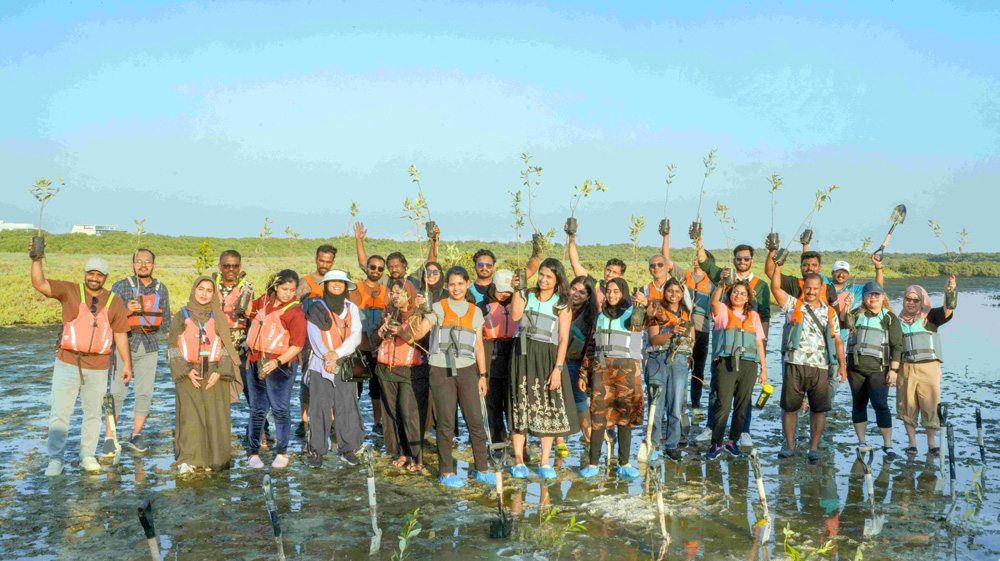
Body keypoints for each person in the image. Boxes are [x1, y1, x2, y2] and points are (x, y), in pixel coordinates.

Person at [29, 241, 132, 476]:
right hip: (67, 362)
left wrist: (126, 363)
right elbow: (40, 284)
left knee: (94, 413)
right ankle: (55, 460)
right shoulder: (69, 290)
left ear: (106, 277)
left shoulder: (114, 301)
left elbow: (120, 333)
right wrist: (36, 259)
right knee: (60, 412)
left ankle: (87, 454)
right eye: (91, 273)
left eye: (99, 275)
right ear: (85, 273)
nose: (94, 278)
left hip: (98, 366)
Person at [408, 266, 496, 488]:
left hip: (468, 371)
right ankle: (446, 472)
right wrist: (420, 311)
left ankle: (482, 468)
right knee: (446, 423)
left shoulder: (475, 311)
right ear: (447, 286)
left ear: (468, 284)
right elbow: (417, 334)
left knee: (475, 421)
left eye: (460, 284)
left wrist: (482, 375)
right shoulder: (437, 307)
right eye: (452, 284)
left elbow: (478, 347)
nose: (456, 288)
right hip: (440, 371)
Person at [509, 258, 579, 480]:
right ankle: (519, 460)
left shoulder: (562, 304)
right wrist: (516, 289)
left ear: (557, 279)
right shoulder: (526, 295)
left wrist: (558, 368)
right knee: (520, 404)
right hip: (522, 354)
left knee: (548, 405)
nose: (543, 279)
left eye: (549, 276)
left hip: (548, 357)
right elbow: (515, 316)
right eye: (541, 274)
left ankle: (545, 461)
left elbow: (563, 338)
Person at [696, 241, 771, 446]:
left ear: (751, 261)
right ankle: (712, 428)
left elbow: (764, 315)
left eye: (746, 258)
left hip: (748, 349)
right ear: (735, 260)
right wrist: (699, 241)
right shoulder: (726, 275)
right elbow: (704, 262)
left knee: (743, 397)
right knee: (717, 393)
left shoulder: (761, 285)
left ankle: (742, 432)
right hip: (724, 350)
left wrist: (760, 354)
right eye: (739, 258)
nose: (742, 261)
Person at [771, 262, 847, 462]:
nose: (811, 292)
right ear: (803, 288)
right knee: (790, 408)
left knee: (819, 409)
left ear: (822, 289)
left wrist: (843, 367)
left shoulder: (830, 312)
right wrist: (778, 265)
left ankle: (813, 447)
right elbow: (776, 288)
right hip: (794, 363)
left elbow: (838, 340)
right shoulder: (793, 305)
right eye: (808, 288)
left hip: (821, 367)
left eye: (815, 288)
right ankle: (789, 446)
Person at [166, 276, 241, 473]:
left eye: (209, 290)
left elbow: (227, 347)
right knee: (190, 418)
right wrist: (185, 371)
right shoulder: (180, 315)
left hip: (216, 373)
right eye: (201, 289)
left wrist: (220, 372)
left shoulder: (219, 316)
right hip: (188, 373)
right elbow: (172, 346)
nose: (204, 293)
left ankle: (215, 461)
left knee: (217, 418)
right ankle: (189, 460)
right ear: (194, 290)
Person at [578, 277, 645, 479]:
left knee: (624, 419)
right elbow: (591, 346)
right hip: (602, 371)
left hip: (627, 372)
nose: (612, 295)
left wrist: (645, 305)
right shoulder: (599, 317)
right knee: (598, 417)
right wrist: (583, 373)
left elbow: (658, 319)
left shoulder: (635, 313)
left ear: (624, 292)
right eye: (608, 291)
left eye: (616, 291)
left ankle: (624, 463)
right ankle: (593, 463)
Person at [107, 248, 170, 454]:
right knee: (117, 392)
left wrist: (175, 353)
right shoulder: (121, 286)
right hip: (124, 344)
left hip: (150, 345)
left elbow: (167, 323)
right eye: (139, 261)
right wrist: (127, 310)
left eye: (147, 262)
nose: (143, 265)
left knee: (145, 393)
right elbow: (107, 318)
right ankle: (110, 437)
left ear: (154, 265)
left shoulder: (162, 289)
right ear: (132, 265)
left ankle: (137, 435)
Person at [245, 269, 306, 469]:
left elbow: (297, 345)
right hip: (255, 359)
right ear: (275, 287)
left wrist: (277, 362)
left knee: (280, 409)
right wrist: (246, 293)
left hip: (280, 365)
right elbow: (247, 312)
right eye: (284, 289)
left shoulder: (295, 312)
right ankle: (253, 452)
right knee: (257, 409)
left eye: (292, 290)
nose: (288, 293)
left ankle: (282, 451)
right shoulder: (264, 301)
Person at [304, 270, 365, 467]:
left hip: (344, 364)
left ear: (346, 286)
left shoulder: (352, 308)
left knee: (346, 406)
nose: (337, 285)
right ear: (326, 285)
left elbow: (356, 335)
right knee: (319, 407)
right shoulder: (316, 308)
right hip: (319, 364)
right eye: (333, 282)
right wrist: (327, 358)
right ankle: (317, 451)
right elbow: (313, 335)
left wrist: (336, 355)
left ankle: (347, 449)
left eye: (341, 282)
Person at [705, 274, 768, 459]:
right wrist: (721, 284)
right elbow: (714, 301)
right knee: (723, 404)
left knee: (742, 405)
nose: (738, 296)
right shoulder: (722, 310)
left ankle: (732, 442)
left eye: (742, 293)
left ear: (748, 297)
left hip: (749, 365)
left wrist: (764, 368)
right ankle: (715, 444)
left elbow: (759, 343)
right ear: (729, 294)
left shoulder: (754, 316)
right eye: (735, 292)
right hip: (726, 363)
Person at [897, 275, 956, 454]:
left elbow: (948, 309)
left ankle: (932, 443)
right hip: (905, 368)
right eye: (908, 299)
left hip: (929, 368)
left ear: (922, 301)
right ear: (904, 300)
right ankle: (912, 444)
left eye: (916, 300)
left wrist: (950, 291)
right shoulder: (896, 321)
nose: (911, 303)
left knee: (930, 404)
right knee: (907, 405)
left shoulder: (931, 317)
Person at [844, 281, 903, 458]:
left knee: (880, 405)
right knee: (859, 404)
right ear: (863, 297)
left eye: (876, 294)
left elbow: (897, 346)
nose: (873, 298)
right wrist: (846, 307)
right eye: (869, 294)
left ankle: (888, 445)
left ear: (883, 297)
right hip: (855, 369)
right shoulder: (856, 314)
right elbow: (845, 324)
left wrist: (894, 370)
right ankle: (862, 442)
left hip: (879, 369)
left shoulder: (889, 318)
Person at [373, 279, 424, 471]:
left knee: (408, 413)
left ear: (409, 294)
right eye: (393, 293)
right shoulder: (387, 313)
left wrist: (402, 331)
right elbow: (373, 339)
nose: (395, 296)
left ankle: (417, 457)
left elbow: (424, 343)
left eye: (399, 293)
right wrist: (379, 333)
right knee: (394, 414)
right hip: (386, 370)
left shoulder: (419, 314)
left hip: (410, 371)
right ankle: (403, 452)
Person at [663, 235, 715, 415]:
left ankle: (696, 405)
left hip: (703, 330)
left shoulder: (713, 284)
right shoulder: (684, 275)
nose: (696, 260)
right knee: (680, 365)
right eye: (696, 257)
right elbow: (666, 262)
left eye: (700, 258)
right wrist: (666, 236)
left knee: (698, 368)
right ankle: (679, 403)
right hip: (684, 329)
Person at [644, 278, 694, 461]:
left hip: (680, 360)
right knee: (656, 405)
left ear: (682, 294)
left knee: (676, 405)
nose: (674, 294)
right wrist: (671, 331)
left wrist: (688, 357)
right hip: (658, 358)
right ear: (664, 292)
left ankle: (671, 445)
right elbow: (653, 339)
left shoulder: (687, 314)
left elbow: (692, 339)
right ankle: (653, 444)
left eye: (677, 291)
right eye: (670, 291)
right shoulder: (656, 311)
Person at [295, 244, 337, 438]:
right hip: (307, 342)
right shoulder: (303, 284)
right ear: (316, 259)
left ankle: (332, 421)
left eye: (328, 262)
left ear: (333, 262)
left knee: (332, 380)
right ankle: (304, 421)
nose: (324, 265)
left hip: (331, 342)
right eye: (322, 260)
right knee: (306, 380)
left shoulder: (336, 282)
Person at [350, 254, 390, 436]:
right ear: (366, 267)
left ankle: (377, 423)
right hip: (357, 349)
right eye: (372, 267)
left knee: (377, 389)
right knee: (353, 389)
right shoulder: (355, 289)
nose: (376, 271)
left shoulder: (387, 292)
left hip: (378, 350)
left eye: (380, 269)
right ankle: (350, 421)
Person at [481, 269, 518, 446]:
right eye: (500, 290)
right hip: (490, 354)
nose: (504, 294)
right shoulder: (482, 306)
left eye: (508, 291)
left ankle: (518, 440)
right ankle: (496, 439)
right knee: (492, 401)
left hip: (512, 354)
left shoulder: (520, 305)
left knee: (512, 401)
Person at [565, 276, 599, 446]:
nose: (576, 294)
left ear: (588, 296)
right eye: (574, 289)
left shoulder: (590, 316)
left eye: (582, 292)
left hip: (576, 363)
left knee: (580, 401)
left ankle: (589, 441)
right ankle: (559, 440)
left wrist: (584, 373)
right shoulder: (560, 308)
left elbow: (590, 348)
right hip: (555, 360)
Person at [354, 221, 439, 287]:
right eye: (390, 267)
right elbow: (365, 264)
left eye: (396, 266)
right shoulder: (385, 280)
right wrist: (359, 240)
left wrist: (434, 239)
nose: (394, 270)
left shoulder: (413, 279)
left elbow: (431, 262)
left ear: (404, 264)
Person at [566, 220, 626, 310]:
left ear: (621, 276)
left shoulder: (624, 294)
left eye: (614, 272)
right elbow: (575, 264)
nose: (610, 274)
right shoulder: (595, 285)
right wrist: (571, 238)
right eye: (608, 270)